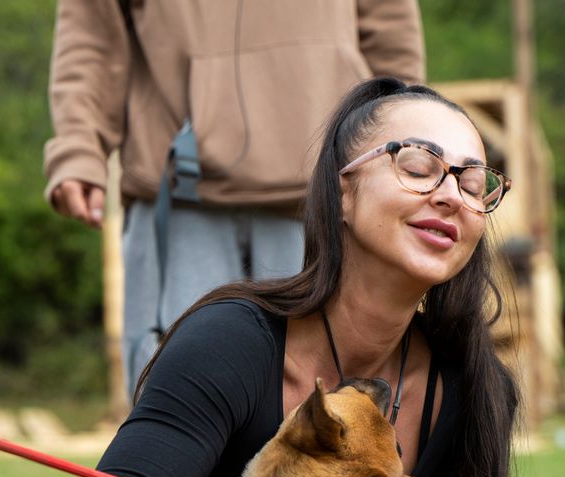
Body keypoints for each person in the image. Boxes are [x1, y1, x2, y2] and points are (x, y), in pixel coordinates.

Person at [29, 78, 565, 477]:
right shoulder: (231, 341)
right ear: (342, 190)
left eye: (473, 183)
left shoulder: (472, 389)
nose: (450, 195)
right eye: (419, 166)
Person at [44, 0, 426, 393]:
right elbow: (91, 34)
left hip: (328, 191)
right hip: (178, 194)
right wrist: (78, 147)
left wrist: (407, 145)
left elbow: (390, 30)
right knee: (175, 394)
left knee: (334, 402)